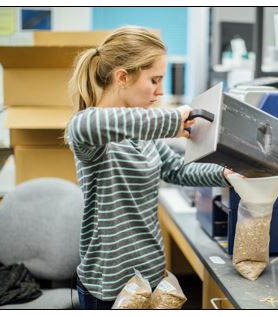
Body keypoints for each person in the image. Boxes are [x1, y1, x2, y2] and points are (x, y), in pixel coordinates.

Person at [65, 26, 232, 309]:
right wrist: (172, 120)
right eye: (154, 80)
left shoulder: (144, 133)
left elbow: (177, 170)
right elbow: (92, 124)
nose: (160, 90)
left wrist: (226, 173)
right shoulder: (87, 130)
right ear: (122, 77)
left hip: (152, 276)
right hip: (110, 287)